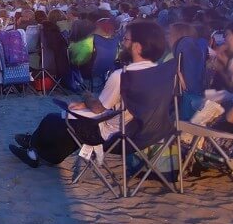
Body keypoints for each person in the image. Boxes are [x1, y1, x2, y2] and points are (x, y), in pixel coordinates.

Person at [9, 20, 167, 168]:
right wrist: (85, 105)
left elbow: (99, 109)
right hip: (146, 133)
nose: (122, 43)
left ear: (138, 47)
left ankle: (32, 149)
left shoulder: (122, 76)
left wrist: (87, 97)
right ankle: (37, 150)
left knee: (54, 119)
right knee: (65, 125)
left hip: (115, 136)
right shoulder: (162, 72)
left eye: (125, 39)